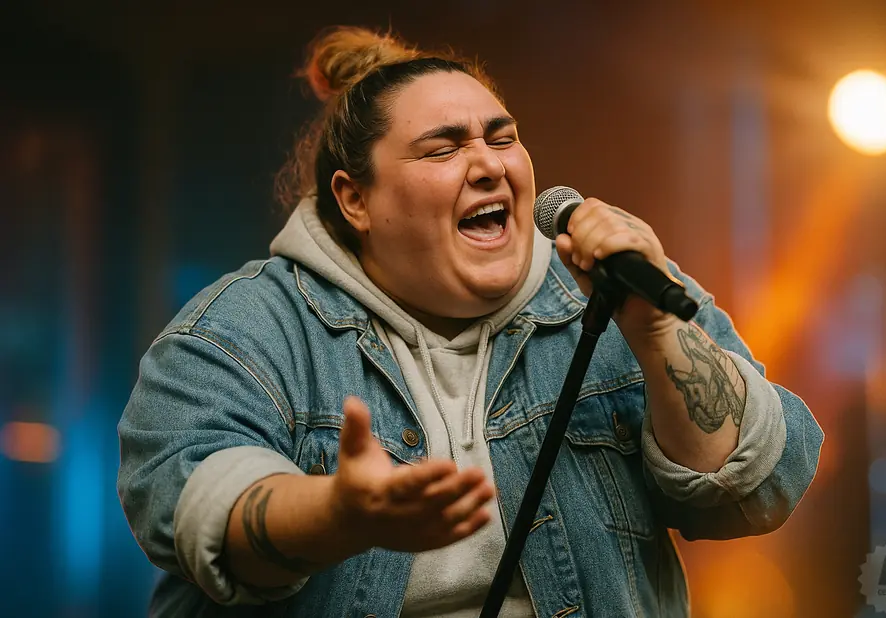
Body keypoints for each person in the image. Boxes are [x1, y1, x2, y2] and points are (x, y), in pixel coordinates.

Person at [117, 25, 824, 618]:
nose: (488, 164)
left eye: (501, 137)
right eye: (444, 147)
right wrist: (339, 514)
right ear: (354, 198)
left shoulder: (612, 291)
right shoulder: (244, 329)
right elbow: (194, 500)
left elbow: (758, 487)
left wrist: (655, 329)